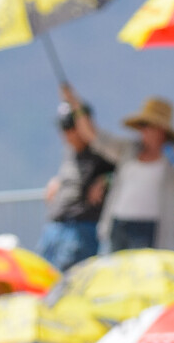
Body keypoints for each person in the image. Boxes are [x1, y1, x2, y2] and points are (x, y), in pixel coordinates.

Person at [95, 98, 174, 253]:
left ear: (161, 130)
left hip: (149, 228)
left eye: (147, 126)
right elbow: (97, 139)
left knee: (143, 267)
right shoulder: (129, 150)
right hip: (118, 223)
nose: (143, 131)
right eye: (142, 126)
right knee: (114, 266)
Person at [38, 92, 119, 271]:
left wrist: (106, 179)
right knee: (46, 278)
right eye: (63, 128)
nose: (66, 133)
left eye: (70, 127)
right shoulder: (70, 152)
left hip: (82, 228)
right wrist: (57, 181)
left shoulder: (101, 150)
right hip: (55, 226)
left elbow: (126, 169)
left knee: (70, 279)